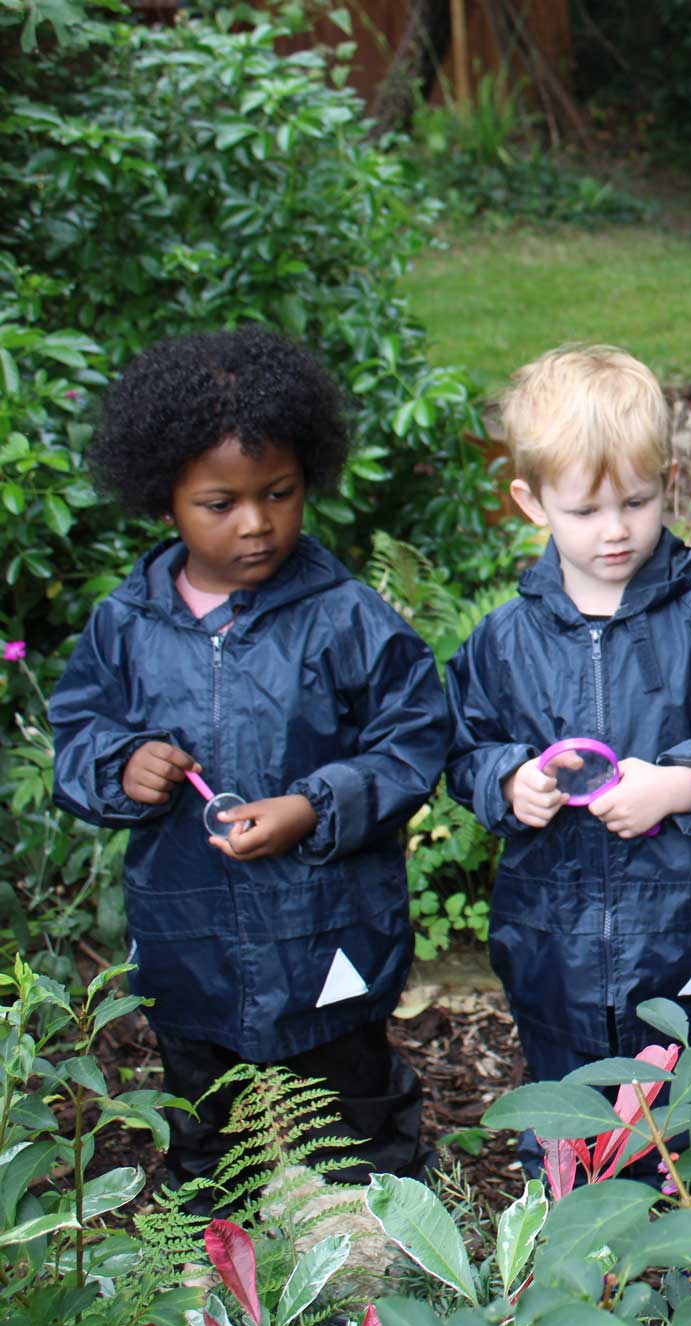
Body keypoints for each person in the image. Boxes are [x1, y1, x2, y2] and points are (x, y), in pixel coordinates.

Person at [50, 329, 447, 1190]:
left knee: (355, 1099)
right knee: (204, 1106)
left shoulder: (342, 615)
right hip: (190, 925)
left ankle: (381, 1234)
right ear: (166, 504)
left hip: (327, 921)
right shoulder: (129, 624)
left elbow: (415, 731)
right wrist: (121, 765)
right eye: (219, 502)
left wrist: (316, 804)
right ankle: (203, 1246)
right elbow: (76, 729)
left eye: (280, 492)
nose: (257, 522)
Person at [444, 345, 691, 1167]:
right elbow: (461, 742)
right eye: (585, 510)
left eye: (637, 502)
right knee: (566, 1103)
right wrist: (507, 779)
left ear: (668, 484)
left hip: (685, 919)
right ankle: (567, 1241)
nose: (615, 529)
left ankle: (689, 1250)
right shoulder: (505, 641)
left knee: (688, 1102)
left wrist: (680, 785)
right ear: (530, 502)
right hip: (550, 929)